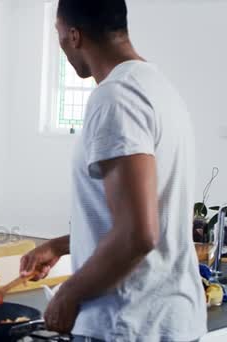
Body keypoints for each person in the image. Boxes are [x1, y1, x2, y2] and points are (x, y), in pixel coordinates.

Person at [19, 1, 206, 341]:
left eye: (59, 35)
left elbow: (138, 235)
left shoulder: (116, 97)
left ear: (74, 35)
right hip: (169, 320)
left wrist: (69, 293)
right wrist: (61, 246)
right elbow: (145, 220)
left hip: (128, 324)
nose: (61, 45)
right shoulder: (158, 87)